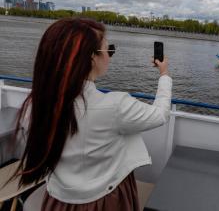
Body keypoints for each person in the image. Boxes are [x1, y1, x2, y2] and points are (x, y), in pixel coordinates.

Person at [12, 17, 172, 210]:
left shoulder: (36, 104)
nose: (109, 56)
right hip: (106, 200)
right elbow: (160, 114)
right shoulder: (115, 106)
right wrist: (164, 74)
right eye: (108, 50)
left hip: (58, 200)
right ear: (92, 58)